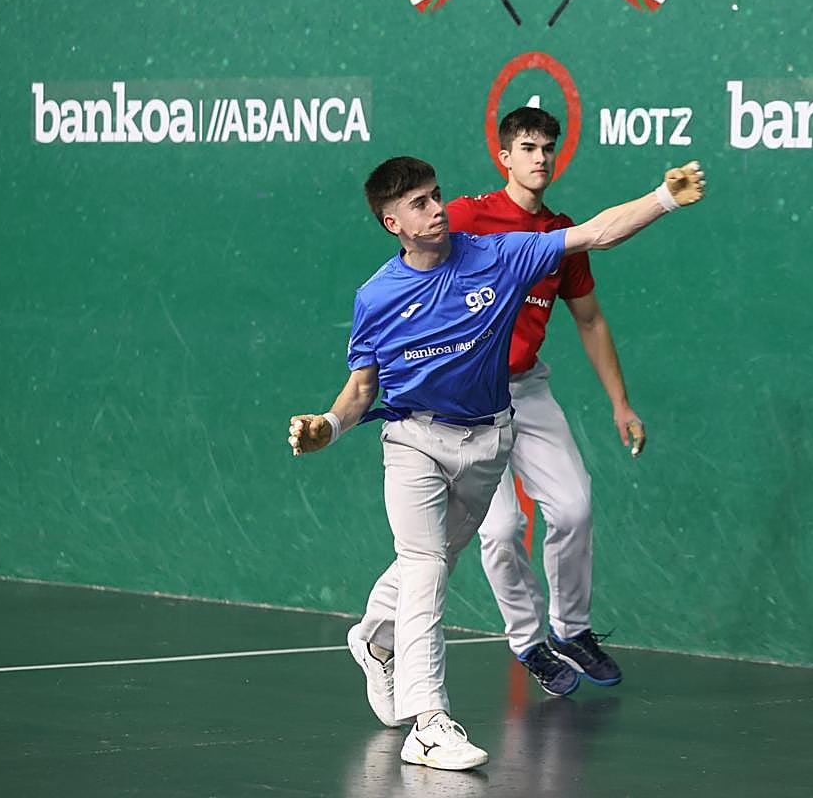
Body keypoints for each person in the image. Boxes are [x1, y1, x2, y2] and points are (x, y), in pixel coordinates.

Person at [286, 155, 705, 771]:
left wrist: (662, 198)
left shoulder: (499, 255)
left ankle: (375, 639)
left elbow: (595, 233)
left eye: (437, 195)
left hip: (489, 441)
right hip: (414, 439)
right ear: (392, 223)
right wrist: (329, 425)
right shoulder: (377, 296)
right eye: (420, 204)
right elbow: (362, 389)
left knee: (437, 556)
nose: (437, 210)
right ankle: (429, 722)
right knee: (426, 564)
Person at [445, 107, 642, 698]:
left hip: (527, 390)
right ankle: (528, 641)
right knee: (501, 529)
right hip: (466, 400)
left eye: (548, 148)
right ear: (504, 156)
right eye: (528, 148)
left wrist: (621, 403)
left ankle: (571, 630)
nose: (541, 158)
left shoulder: (562, 233)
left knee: (574, 507)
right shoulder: (466, 218)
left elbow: (590, 320)